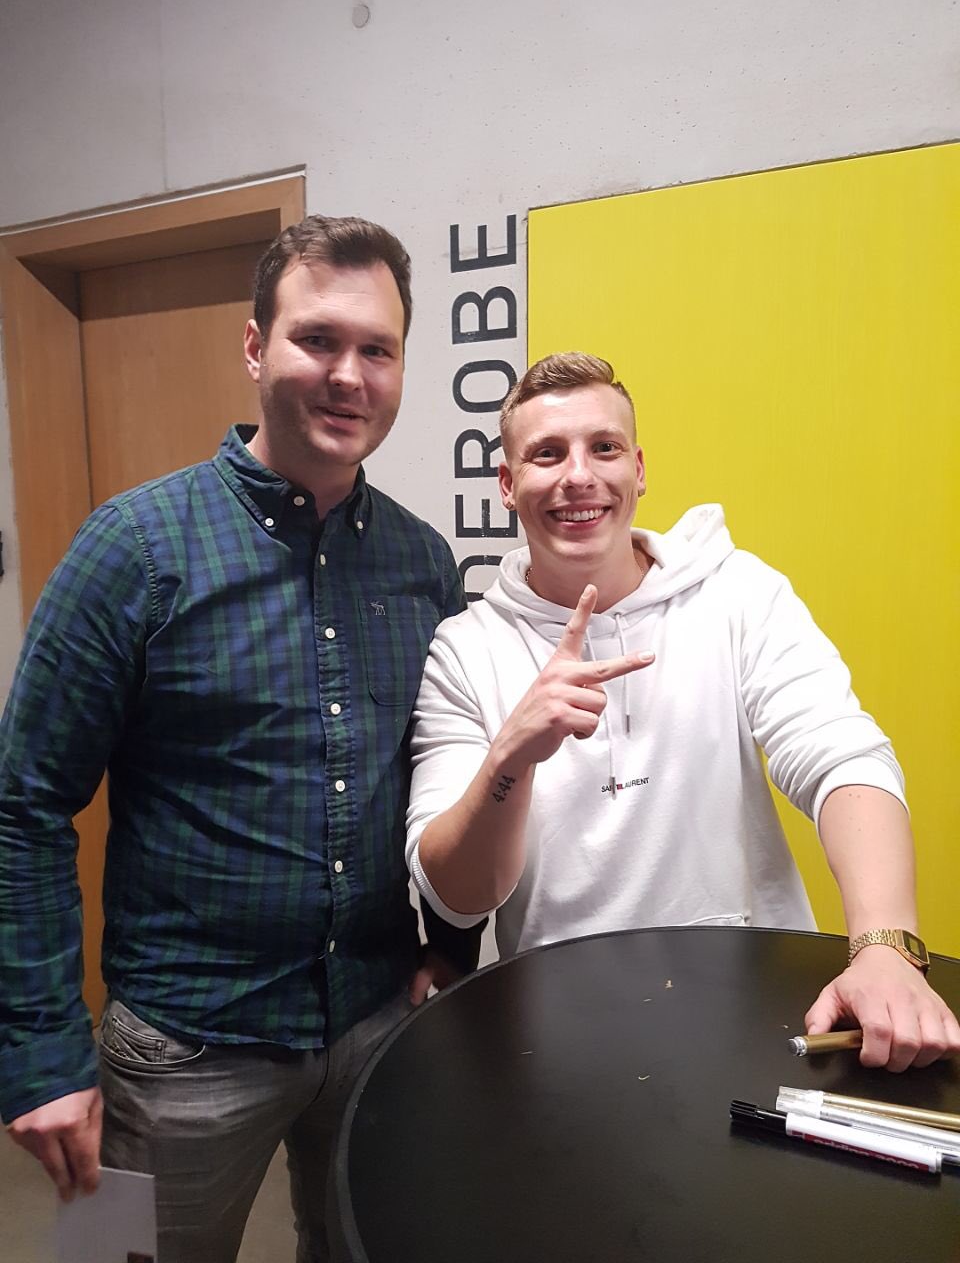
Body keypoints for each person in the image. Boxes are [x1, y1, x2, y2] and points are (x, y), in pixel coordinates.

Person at [0, 215, 478, 1261]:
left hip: (376, 1018)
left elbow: (448, 777)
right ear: (255, 347)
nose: (348, 375)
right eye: (317, 339)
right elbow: (22, 804)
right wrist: (38, 1052)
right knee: (111, 1259)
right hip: (176, 1050)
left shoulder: (422, 561)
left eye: (378, 349)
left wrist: (451, 947)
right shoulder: (132, 548)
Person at [406, 351, 960, 1073]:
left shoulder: (738, 594)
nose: (579, 475)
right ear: (508, 485)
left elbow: (840, 755)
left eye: (604, 448)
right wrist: (511, 758)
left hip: (758, 1016)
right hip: (563, 1042)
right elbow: (457, 896)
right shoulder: (465, 649)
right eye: (547, 454)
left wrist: (885, 948)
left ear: (638, 470)